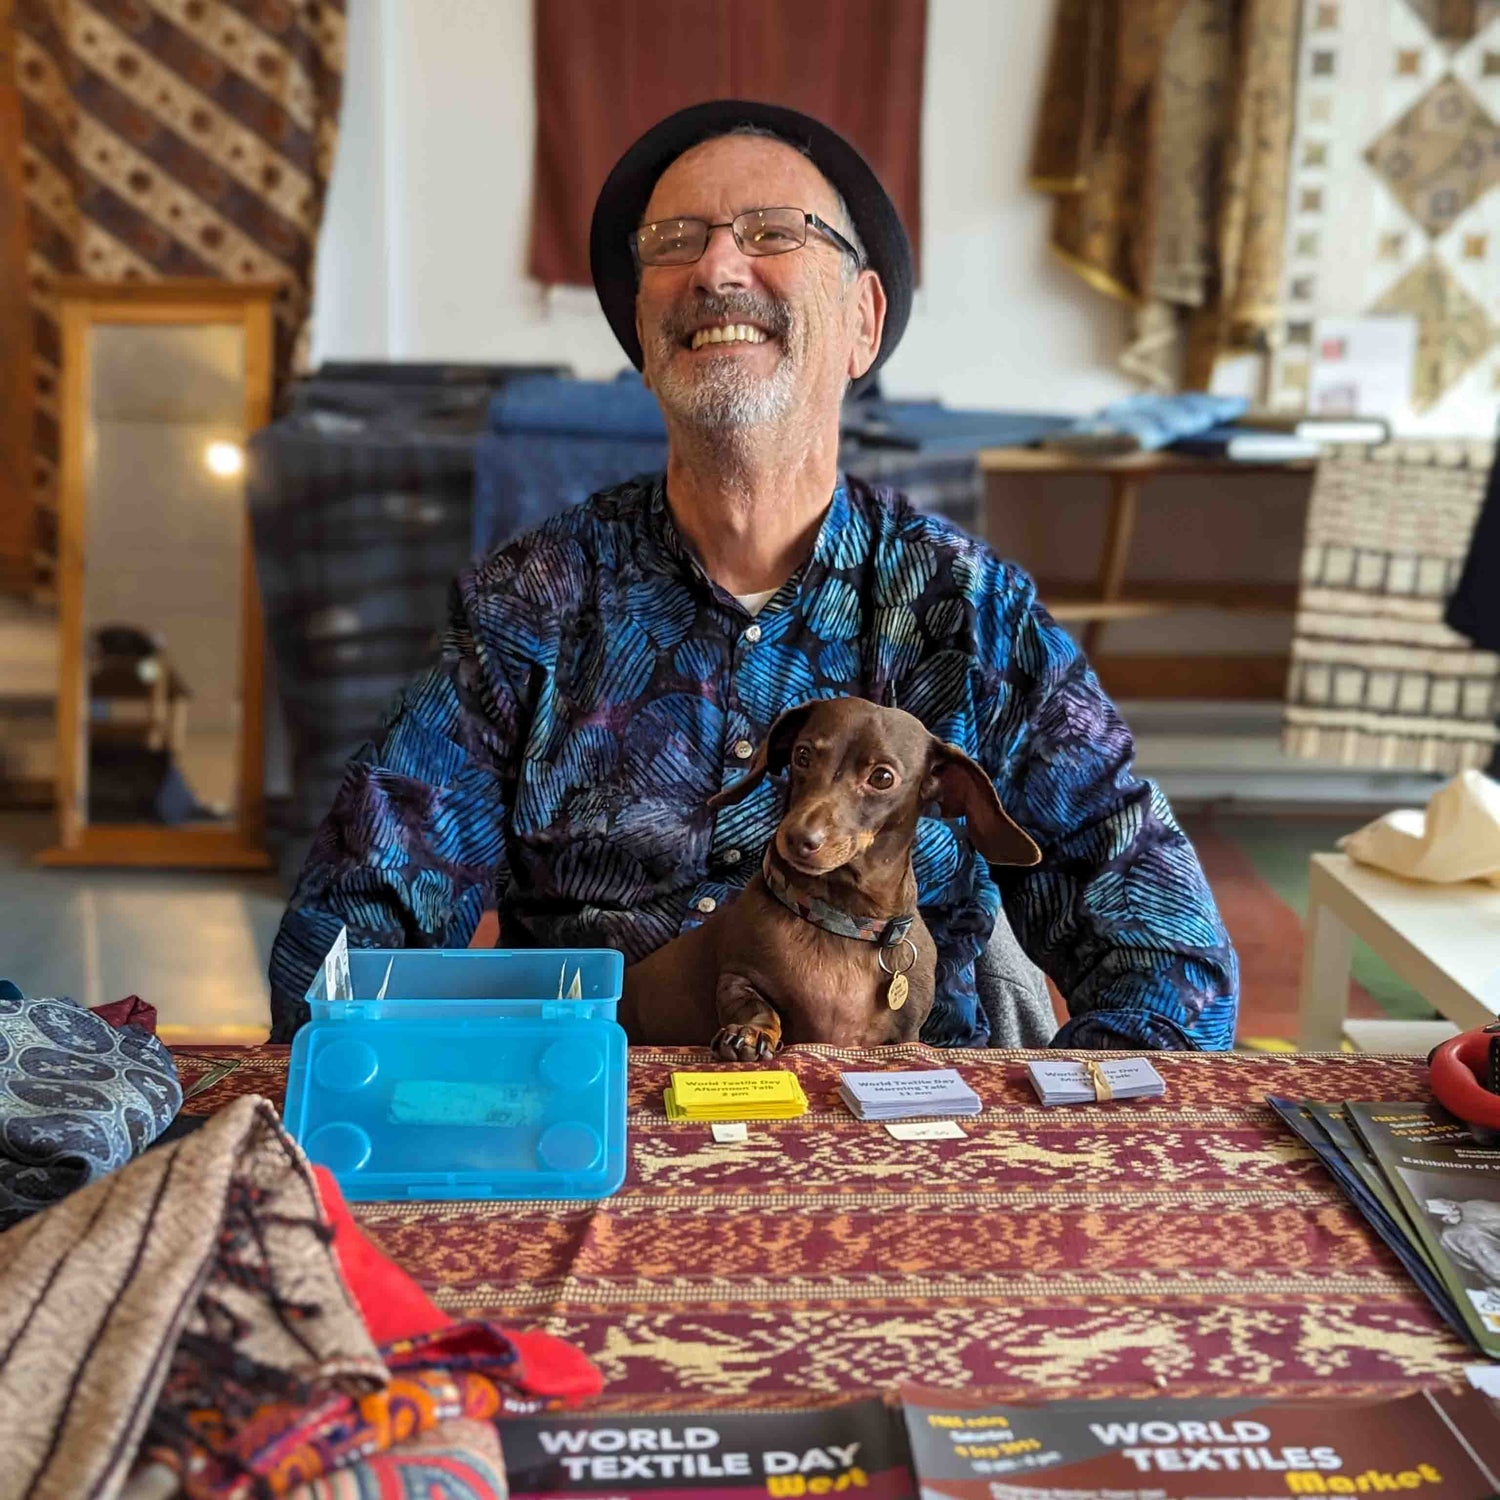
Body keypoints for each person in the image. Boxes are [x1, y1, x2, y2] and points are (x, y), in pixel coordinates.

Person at [268, 99, 1239, 1049]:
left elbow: (1166, 961)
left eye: (773, 231)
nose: (717, 265)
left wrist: (1055, 1151)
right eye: (674, 241)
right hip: (606, 1145)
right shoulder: (534, 603)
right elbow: (355, 928)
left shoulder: (971, 612)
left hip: (894, 1150)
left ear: (863, 322)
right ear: (646, 343)